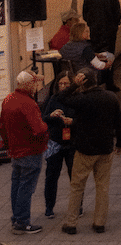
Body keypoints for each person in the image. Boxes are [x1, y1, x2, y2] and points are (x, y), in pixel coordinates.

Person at [59, 68, 121, 235]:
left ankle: (71, 223)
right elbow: (119, 123)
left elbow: (61, 98)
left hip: (85, 150)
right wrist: (120, 144)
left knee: (77, 186)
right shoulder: (111, 97)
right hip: (105, 148)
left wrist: (73, 85)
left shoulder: (82, 99)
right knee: (102, 187)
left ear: (82, 83)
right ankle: (99, 222)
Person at [0, 71, 48, 235]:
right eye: (34, 84)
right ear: (28, 85)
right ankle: (22, 222)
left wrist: (8, 146)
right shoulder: (28, 103)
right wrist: (47, 126)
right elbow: (38, 128)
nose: (36, 87)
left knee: (17, 185)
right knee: (26, 188)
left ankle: (16, 218)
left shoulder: (8, 100)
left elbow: (3, 127)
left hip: (15, 151)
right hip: (30, 150)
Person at [42, 71, 77, 220]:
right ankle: (49, 207)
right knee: (51, 176)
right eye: (61, 83)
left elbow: (83, 119)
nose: (63, 86)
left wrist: (72, 121)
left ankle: (77, 205)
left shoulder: (76, 99)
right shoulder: (52, 99)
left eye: (66, 84)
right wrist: (52, 115)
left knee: (74, 176)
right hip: (55, 142)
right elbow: (43, 118)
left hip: (72, 142)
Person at [81, 0, 121, 92]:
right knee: (109, 56)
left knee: (96, 56)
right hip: (109, 32)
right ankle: (109, 82)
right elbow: (117, 14)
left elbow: (85, 13)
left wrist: (91, 23)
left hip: (95, 31)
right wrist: (115, 25)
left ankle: (97, 81)